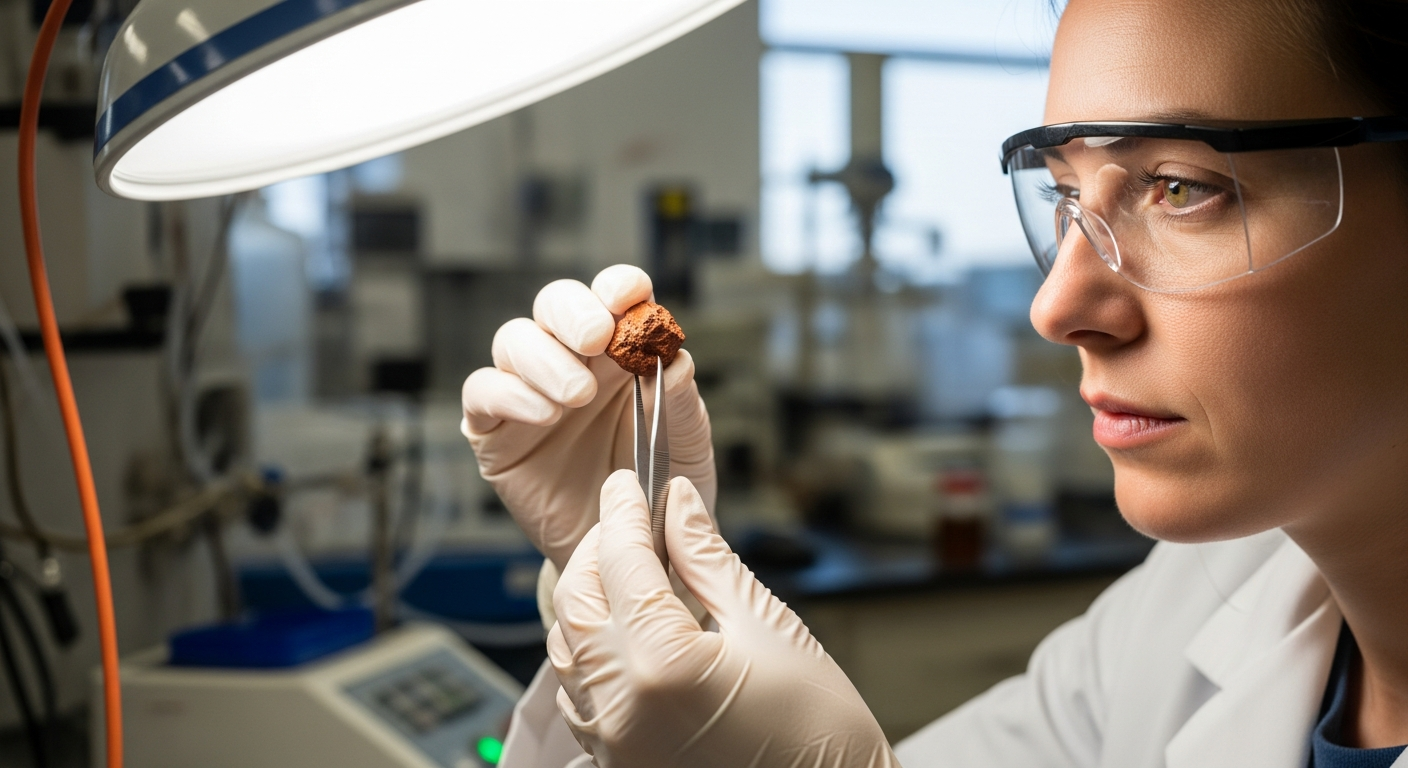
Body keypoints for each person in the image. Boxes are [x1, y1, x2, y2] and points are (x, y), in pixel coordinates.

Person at [460, 0, 1408, 765]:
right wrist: (646, 588)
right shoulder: (1195, 607)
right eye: (1065, 196)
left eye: (1180, 187)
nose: (1059, 306)